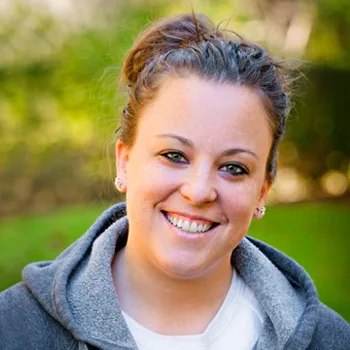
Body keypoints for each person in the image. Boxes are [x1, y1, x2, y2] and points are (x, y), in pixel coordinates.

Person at [0, 12, 349, 350]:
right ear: (125, 161)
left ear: (262, 190)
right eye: (174, 155)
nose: (198, 192)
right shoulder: (13, 329)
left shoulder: (331, 340)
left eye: (233, 168)